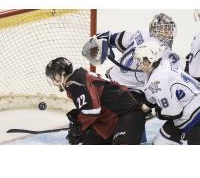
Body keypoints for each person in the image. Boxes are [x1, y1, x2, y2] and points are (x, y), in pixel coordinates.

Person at [82, 13, 179, 143]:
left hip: (110, 87)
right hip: (132, 96)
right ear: (154, 29)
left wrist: (103, 43)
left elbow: (107, 36)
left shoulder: (139, 34)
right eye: (163, 29)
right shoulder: (165, 52)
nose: (167, 33)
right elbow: (167, 83)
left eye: (168, 29)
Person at [45, 57, 146, 145]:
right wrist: (80, 128)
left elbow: (92, 110)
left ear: (61, 74)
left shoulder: (75, 82)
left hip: (127, 115)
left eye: (54, 77)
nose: (54, 82)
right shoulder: (78, 79)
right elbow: (94, 107)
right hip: (112, 120)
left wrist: (79, 128)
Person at [134, 40, 200, 145]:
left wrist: (157, 112)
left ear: (148, 60)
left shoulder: (158, 79)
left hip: (194, 118)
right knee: (159, 142)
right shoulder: (162, 64)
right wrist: (143, 108)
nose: (138, 63)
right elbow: (152, 96)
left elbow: (174, 112)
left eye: (139, 60)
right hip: (190, 110)